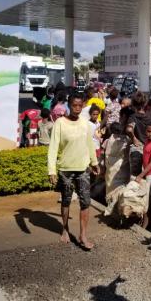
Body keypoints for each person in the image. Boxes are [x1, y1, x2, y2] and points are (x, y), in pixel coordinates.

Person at [47, 93, 100, 251]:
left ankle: (83, 235)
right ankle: (64, 228)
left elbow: (89, 143)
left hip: (83, 168)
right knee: (66, 200)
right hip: (66, 170)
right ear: (69, 106)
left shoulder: (84, 123)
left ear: (83, 105)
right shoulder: (60, 123)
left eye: (80, 105)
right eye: (74, 105)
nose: (77, 108)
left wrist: (94, 162)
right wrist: (51, 170)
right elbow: (53, 147)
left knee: (85, 202)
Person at [126, 91, 151, 176]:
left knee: (135, 177)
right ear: (145, 104)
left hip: (137, 149)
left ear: (133, 104)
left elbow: (129, 130)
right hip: (149, 149)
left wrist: (134, 139)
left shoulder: (133, 117)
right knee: (148, 175)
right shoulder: (150, 117)